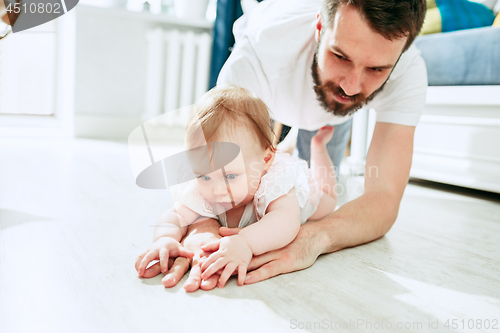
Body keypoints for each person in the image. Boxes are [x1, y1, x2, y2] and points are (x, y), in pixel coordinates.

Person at [139, 0, 428, 291]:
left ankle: (313, 146)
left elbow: (384, 196)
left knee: (327, 193)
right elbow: (210, 160)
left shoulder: (408, 71)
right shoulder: (258, 55)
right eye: (340, 56)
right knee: (245, 168)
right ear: (319, 28)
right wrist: (202, 233)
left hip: (329, 123)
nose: (352, 86)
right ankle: (293, 147)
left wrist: (314, 238)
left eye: (376, 69)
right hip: (275, 81)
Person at [136, 85, 339, 288]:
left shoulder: (275, 184)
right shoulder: (205, 186)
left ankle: (318, 147)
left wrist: (246, 242)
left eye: (231, 176)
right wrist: (164, 239)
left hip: (310, 198)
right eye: (205, 177)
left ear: (266, 160)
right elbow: (175, 215)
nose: (217, 189)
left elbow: (286, 222)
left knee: (328, 198)